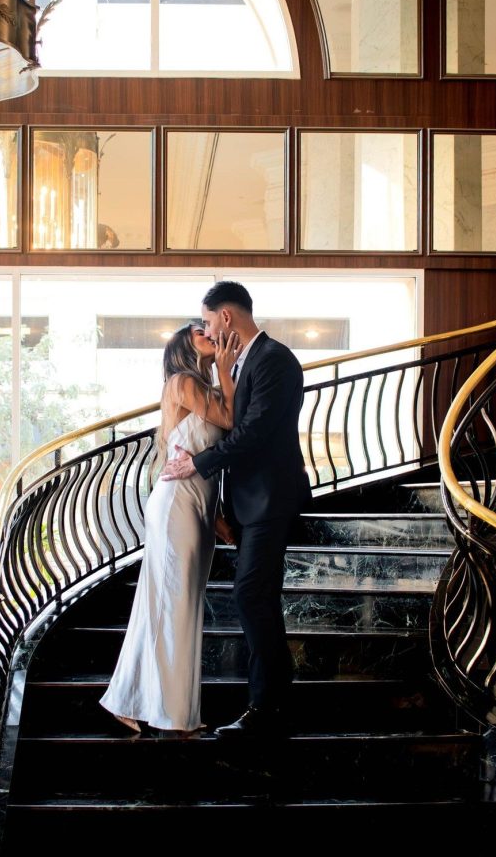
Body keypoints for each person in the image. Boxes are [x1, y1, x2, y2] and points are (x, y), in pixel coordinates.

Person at [161, 281, 311, 736]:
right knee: (257, 596)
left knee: (251, 595)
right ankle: (274, 704)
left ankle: (267, 709)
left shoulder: (275, 360)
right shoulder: (238, 364)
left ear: (225, 317)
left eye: (207, 321)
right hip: (248, 503)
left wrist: (198, 462)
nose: (205, 329)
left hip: (270, 499)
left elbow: (254, 431)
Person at [99, 320, 238, 735]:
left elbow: (198, 452)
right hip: (177, 504)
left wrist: (216, 518)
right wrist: (228, 369)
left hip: (195, 504)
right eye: (200, 331)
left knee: (174, 604)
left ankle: (130, 700)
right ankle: (174, 715)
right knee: (172, 605)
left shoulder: (205, 390)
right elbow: (230, 422)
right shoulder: (182, 382)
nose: (209, 333)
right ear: (183, 346)